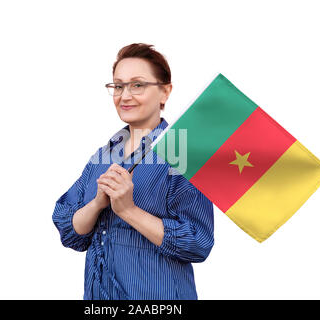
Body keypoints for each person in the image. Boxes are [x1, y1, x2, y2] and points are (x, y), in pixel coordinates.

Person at [52, 43, 214, 300]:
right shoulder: (102, 157)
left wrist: (128, 210)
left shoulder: (182, 155)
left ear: (165, 92)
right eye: (118, 86)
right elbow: (70, 231)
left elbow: (198, 243)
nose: (124, 96)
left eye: (137, 85)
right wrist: (96, 204)